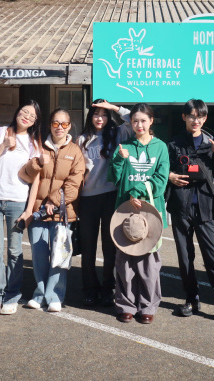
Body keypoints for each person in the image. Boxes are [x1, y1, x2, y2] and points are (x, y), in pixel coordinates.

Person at [166, 99, 214, 328]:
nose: (196, 120)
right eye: (192, 116)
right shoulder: (174, 144)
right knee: (185, 258)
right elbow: (162, 169)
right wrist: (170, 176)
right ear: (184, 117)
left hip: (205, 208)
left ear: (205, 118)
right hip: (181, 208)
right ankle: (192, 300)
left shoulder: (211, 143)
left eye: (200, 116)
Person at [18, 108, 85, 312]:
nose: (59, 127)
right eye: (55, 123)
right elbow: (25, 174)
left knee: (59, 256)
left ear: (69, 126)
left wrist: (53, 201)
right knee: (39, 256)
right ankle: (39, 295)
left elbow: (75, 183)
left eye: (64, 124)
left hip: (62, 213)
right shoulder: (38, 147)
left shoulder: (75, 151)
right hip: (38, 211)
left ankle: (55, 295)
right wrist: (37, 163)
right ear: (50, 125)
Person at [0, 100, 42, 316]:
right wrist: (3, 146)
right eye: (24, 112)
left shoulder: (34, 143)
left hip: (17, 201)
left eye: (32, 116)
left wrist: (29, 209)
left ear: (35, 121)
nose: (27, 117)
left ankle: (12, 295)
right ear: (17, 112)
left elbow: (36, 179)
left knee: (15, 251)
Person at [109, 103, 169, 324]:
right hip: (125, 210)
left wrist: (140, 191)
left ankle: (148, 306)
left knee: (149, 263)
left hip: (151, 211)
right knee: (125, 262)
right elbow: (114, 178)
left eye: (143, 120)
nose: (139, 125)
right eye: (135, 121)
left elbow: (161, 179)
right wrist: (119, 159)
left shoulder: (160, 147)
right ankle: (126, 305)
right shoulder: (124, 146)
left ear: (151, 121)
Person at [77, 99, 132, 307]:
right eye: (96, 114)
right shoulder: (82, 139)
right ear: (90, 117)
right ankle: (89, 289)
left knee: (110, 247)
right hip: (87, 198)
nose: (99, 118)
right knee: (88, 247)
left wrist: (114, 107)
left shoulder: (117, 134)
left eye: (104, 114)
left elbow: (132, 119)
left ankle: (108, 288)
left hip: (111, 196)